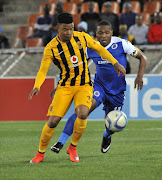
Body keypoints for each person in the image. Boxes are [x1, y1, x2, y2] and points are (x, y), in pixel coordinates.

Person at [28, 13, 126, 163]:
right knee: (53, 122)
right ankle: (40, 153)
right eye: (65, 29)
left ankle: (72, 148)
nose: (69, 32)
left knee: (82, 113)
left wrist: (115, 63)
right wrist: (37, 85)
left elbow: (100, 50)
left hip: (84, 85)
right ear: (58, 28)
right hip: (65, 86)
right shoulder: (51, 48)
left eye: (71, 28)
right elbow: (43, 69)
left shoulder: (82, 37)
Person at [51, 20, 147, 155]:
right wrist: (62, 84)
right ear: (96, 34)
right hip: (99, 86)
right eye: (100, 33)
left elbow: (143, 58)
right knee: (82, 112)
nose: (103, 36)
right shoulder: (90, 47)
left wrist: (139, 76)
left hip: (117, 91)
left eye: (106, 33)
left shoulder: (121, 44)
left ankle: (107, 136)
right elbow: (74, 66)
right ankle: (61, 141)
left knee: (112, 123)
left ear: (111, 33)